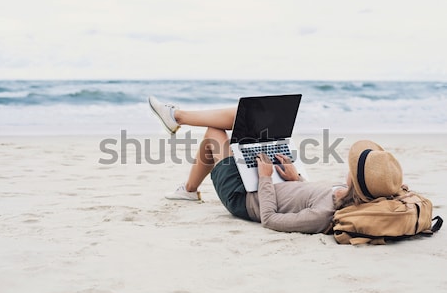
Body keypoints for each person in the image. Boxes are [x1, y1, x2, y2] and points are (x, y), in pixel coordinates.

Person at [148, 96, 403, 234]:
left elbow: (270, 219)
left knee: (215, 132)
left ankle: (178, 121)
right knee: (242, 118)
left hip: (245, 199)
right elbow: (302, 196)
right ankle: (189, 189)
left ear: (356, 180)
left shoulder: (322, 216)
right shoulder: (341, 192)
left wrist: (266, 178)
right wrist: (295, 179)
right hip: (270, 182)